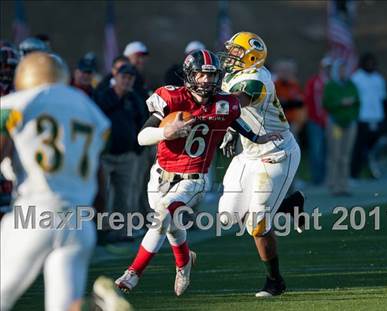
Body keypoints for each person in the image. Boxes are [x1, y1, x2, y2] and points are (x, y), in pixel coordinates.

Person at [114, 49, 281, 296]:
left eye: (212, 75)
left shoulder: (225, 102)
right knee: (170, 225)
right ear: (190, 75)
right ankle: (184, 262)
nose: (207, 80)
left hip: (194, 178)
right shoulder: (171, 97)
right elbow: (141, 137)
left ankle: (133, 273)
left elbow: (235, 118)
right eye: (202, 75)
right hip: (160, 173)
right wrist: (165, 133)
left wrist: (257, 136)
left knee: (162, 217)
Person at [0, 52, 110, 311]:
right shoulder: (89, 109)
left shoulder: (20, 102)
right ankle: (92, 305)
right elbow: (99, 171)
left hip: (34, 213)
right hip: (79, 221)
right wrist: (101, 216)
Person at [217, 32, 301, 297]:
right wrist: (232, 132)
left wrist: (201, 102)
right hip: (249, 153)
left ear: (251, 57)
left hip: (276, 152)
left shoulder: (256, 78)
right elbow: (235, 112)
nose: (230, 56)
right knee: (226, 216)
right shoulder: (233, 75)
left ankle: (275, 281)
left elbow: (236, 103)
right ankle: (289, 203)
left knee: (257, 223)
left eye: (236, 52)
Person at [94, 63, 148, 242]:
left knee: (124, 195)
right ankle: (101, 231)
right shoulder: (104, 96)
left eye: (130, 78)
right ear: (115, 76)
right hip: (106, 155)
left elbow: (142, 122)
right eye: (124, 77)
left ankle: (121, 232)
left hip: (127, 155)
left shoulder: (134, 100)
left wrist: (138, 147)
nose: (127, 81)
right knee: (103, 194)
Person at [323, 59, 360, 196]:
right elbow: (326, 103)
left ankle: (344, 185)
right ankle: (334, 185)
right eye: (341, 70)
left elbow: (357, 102)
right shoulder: (331, 85)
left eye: (345, 69)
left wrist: (353, 116)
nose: (343, 72)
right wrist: (341, 103)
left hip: (350, 124)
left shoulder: (352, 85)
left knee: (346, 156)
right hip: (336, 124)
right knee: (335, 154)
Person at [351, 52, 387, 178]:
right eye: (368, 63)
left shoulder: (379, 78)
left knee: (377, 148)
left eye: (372, 63)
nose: (370, 65)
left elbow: (382, 98)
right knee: (359, 149)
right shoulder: (356, 78)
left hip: (378, 118)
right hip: (362, 119)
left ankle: (376, 173)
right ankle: (355, 174)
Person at [303, 56, 332, 185]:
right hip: (315, 120)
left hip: (331, 121)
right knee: (317, 149)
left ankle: (328, 177)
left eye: (329, 68)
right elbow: (308, 99)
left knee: (330, 149)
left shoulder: (333, 82)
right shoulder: (314, 81)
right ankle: (317, 178)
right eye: (326, 67)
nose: (328, 70)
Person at [273, 59, 306, 137]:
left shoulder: (295, 85)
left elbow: (300, 102)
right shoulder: (273, 85)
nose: (285, 73)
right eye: (283, 71)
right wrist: (290, 102)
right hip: (278, 123)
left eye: (288, 71)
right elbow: (277, 104)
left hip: (293, 121)